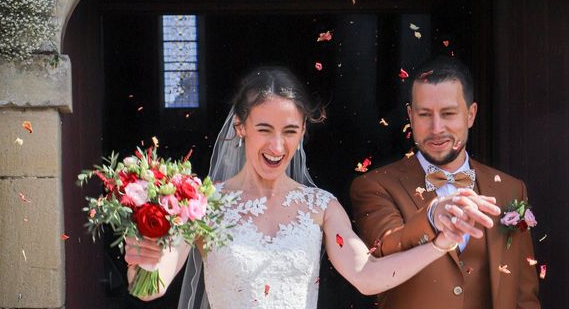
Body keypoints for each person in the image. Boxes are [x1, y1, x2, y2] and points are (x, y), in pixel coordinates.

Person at [125, 67, 500, 308]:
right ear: (240, 127)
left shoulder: (320, 206)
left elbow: (367, 277)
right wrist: (141, 259)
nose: (277, 146)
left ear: (303, 131)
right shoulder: (201, 203)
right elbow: (149, 288)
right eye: (264, 130)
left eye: (290, 131)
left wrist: (440, 244)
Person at [350, 56, 541, 308]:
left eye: (448, 113)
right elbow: (385, 247)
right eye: (424, 114)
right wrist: (431, 216)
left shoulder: (511, 189)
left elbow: (523, 293)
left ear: (471, 114)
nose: (436, 128)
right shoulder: (373, 186)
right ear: (410, 115)